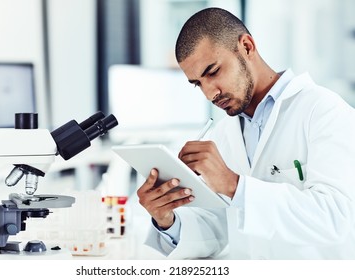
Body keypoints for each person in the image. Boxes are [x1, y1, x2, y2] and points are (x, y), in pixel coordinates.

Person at [136, 7, 355, 259]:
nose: (210, 93)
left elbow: (336, 217)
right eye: (198, 83)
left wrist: (235, 185)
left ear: (247, 47)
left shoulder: (324, 111)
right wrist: (166, 219)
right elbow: (218, 229)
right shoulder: (224, 133)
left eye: (213, 72)